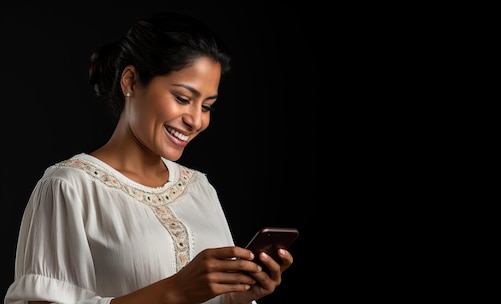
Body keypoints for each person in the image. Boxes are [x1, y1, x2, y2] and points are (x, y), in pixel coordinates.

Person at [4, 11, 294, 304]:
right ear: (130, 81)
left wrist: (238, 297)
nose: (196, 120)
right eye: (182, 98)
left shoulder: (199, 189)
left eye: (207, 106)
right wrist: (173, 292)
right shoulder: (68, 188)